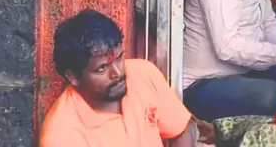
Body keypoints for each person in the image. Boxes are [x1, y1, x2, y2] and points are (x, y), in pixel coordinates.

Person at [41, 9, 198, 147]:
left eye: (119, 58)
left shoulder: (142, 73)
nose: (117, 72)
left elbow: (181, 129)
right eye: (102, 68)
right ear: (73, 77)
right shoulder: (62, 136)